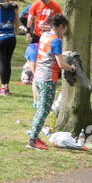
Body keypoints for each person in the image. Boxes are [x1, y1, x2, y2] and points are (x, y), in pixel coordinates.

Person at [27, 14, 69, 149]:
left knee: (40, 108)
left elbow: (49, 53)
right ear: (61, 26)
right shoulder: (56, 40)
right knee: (43, 110)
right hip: (48, 78)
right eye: (64, 28)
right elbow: (61, 64)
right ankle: (32, 140)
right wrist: (72, 68)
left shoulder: (45, 35)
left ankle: (34, 135)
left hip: (38, 76)